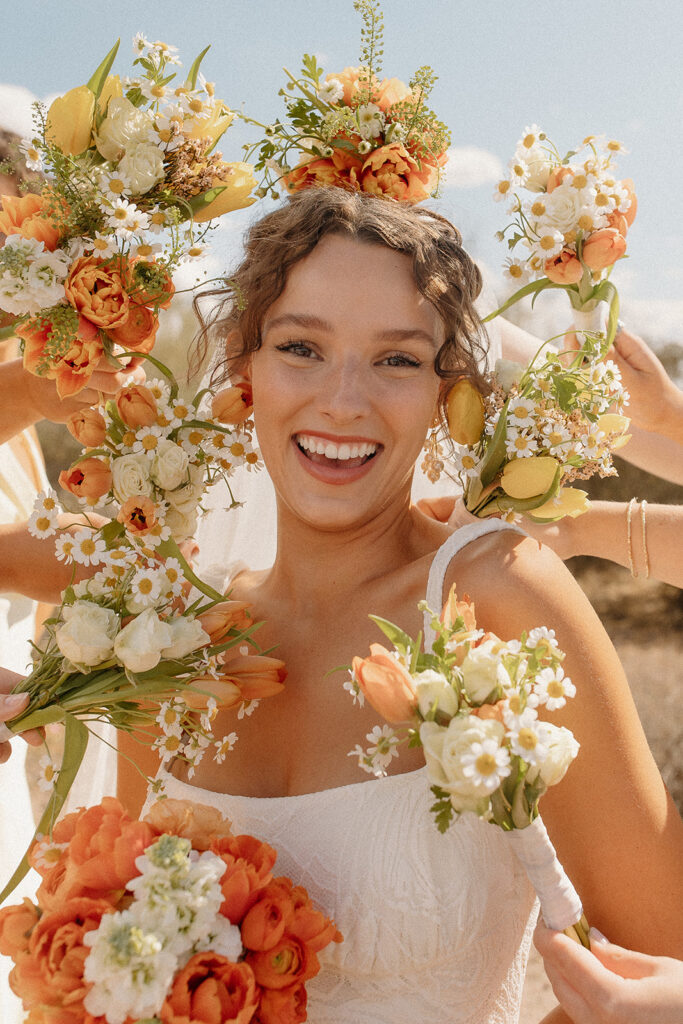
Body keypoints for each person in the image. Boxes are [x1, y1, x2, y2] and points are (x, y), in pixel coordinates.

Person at [138, 188, 682, 1024]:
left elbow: (661, 962)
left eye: (395, 360)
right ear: (246, 371)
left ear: (446, 395)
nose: (343, 400)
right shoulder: (170, 643)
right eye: (300, 348)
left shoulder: (497, 592)